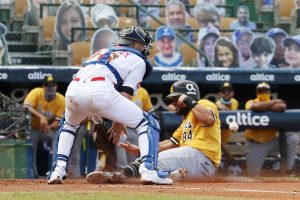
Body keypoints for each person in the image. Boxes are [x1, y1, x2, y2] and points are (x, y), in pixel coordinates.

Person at [47, 26, 173, 185]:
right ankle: (148, 171)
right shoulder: (138, 59)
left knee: (68, 125)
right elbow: (125, 94)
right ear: (134, 45)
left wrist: (96, 118)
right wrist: (118, 123)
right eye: (143, 45)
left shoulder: (99, 52)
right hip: (100, 91)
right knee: (150, 123)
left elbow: (87, 93)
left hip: (73, 91)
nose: (145, 48)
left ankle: (57, 170)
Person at [86, 80, 221, 183]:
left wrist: (187, 99)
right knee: (149, 159)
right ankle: (172, 175)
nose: (173, 103)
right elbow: (170, 143)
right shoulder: (186, 120)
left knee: (153, 162)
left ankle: (119, 176)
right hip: (192, 163)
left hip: (202, 158)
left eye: (175, 99)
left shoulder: (204, 104)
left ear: (184, 98)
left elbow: (209, 120)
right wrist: (143, 150)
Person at [244, 82, 299, 176]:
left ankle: (287, 168)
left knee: (293, 138)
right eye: (261, 91)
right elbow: (255, 107)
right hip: (256, 145)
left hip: (272, 142)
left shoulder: (276, 102)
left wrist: (266, 106)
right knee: (252, 176)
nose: (263, 92)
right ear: (257, 92)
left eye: (266, 90)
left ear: (269, 92)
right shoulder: (251, 101)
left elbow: (281, 107)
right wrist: (273, 103)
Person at [23, 75, 65, 178]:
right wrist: (41, 116)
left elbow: (59, 120)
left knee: (57, 145)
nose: (50, 88)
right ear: (43, 86)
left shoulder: (61, 99)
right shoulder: (37, 92)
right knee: (31, 148)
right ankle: (31, 175)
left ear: (56, 87)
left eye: (52, 85)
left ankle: (54, 173)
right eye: (47, 85)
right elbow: (26, 106)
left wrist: (49, 127)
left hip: (50, 129)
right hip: (34, 128)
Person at [115, 86, 154, 168]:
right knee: (121, 140)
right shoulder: (119, 91)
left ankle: (132, 170)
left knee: (134, 151)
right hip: (122, 125)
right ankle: (121, 168)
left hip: (137, 127)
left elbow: (150, 111)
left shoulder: (142, 91)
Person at [215, 82, 242, 176]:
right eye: (224, 91)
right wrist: (218, 107)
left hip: (231, 138)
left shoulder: (235, 102)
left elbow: (230, 114)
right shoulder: (216, 104)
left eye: (229, 91)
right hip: (219, 139)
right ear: (220, 94)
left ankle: (231, 166)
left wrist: (223, 109)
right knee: (220, 163)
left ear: (233, 93)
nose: (226, 93)